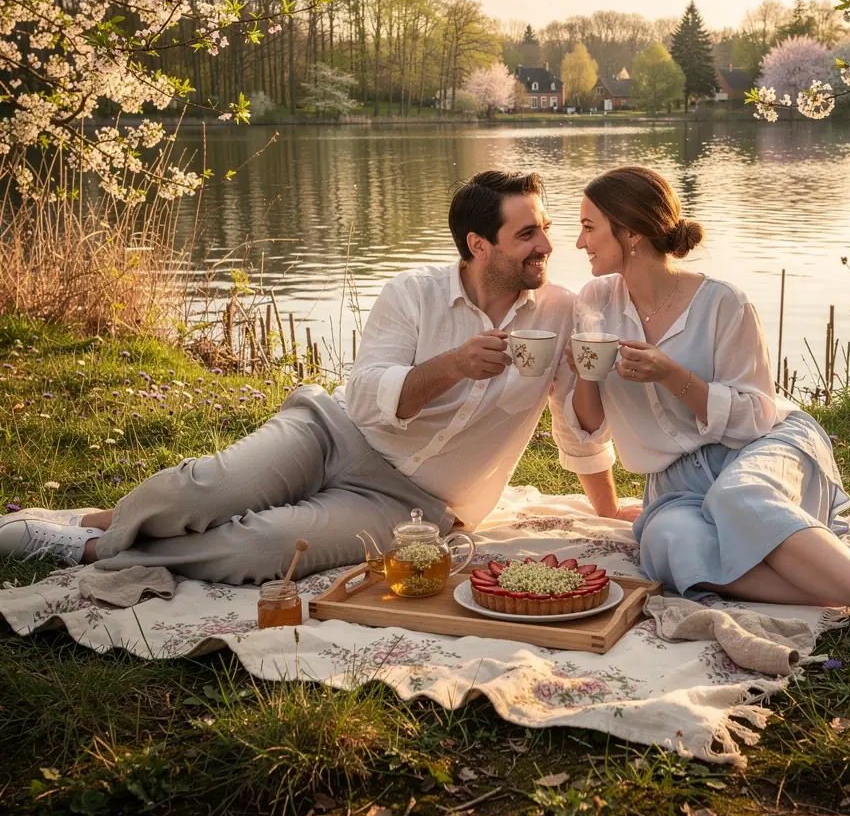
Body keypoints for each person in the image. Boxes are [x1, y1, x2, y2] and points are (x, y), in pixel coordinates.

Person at [0, 171, 630, 584]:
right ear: (478, 244)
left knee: (263, 549)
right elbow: (363, 395)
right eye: (528, 232)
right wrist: (456, 364)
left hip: (412, 506)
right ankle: (112, 520)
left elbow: (577, 425)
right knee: (203, 490)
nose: (547, 243)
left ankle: (85, 548)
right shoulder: (412, 293)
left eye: (547, 227)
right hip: (332, 435)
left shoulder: (562, 313)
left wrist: (606, 512)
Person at [564, 165, 850, 675]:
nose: (579, 240)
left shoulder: (722, 303)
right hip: (675, 479)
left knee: (738, 496)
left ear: (629, 232)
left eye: (589, 226)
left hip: (762, 445)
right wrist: (585, 368)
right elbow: (590, 422)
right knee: (668, 546)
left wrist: (673, 374)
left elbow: (753, 416)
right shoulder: (594, 302)